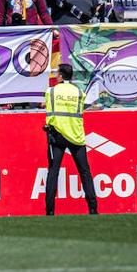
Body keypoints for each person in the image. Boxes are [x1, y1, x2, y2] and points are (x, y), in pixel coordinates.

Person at [43, 64, 97, 216]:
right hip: (76, 136)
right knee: (85, 172)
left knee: (53, 172)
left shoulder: (51, 91)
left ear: (60, 75)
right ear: (71, 76)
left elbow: (46, 105)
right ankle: (93, 209)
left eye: (56, 73)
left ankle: (50, 211)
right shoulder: (79, 92)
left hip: (57, 136)